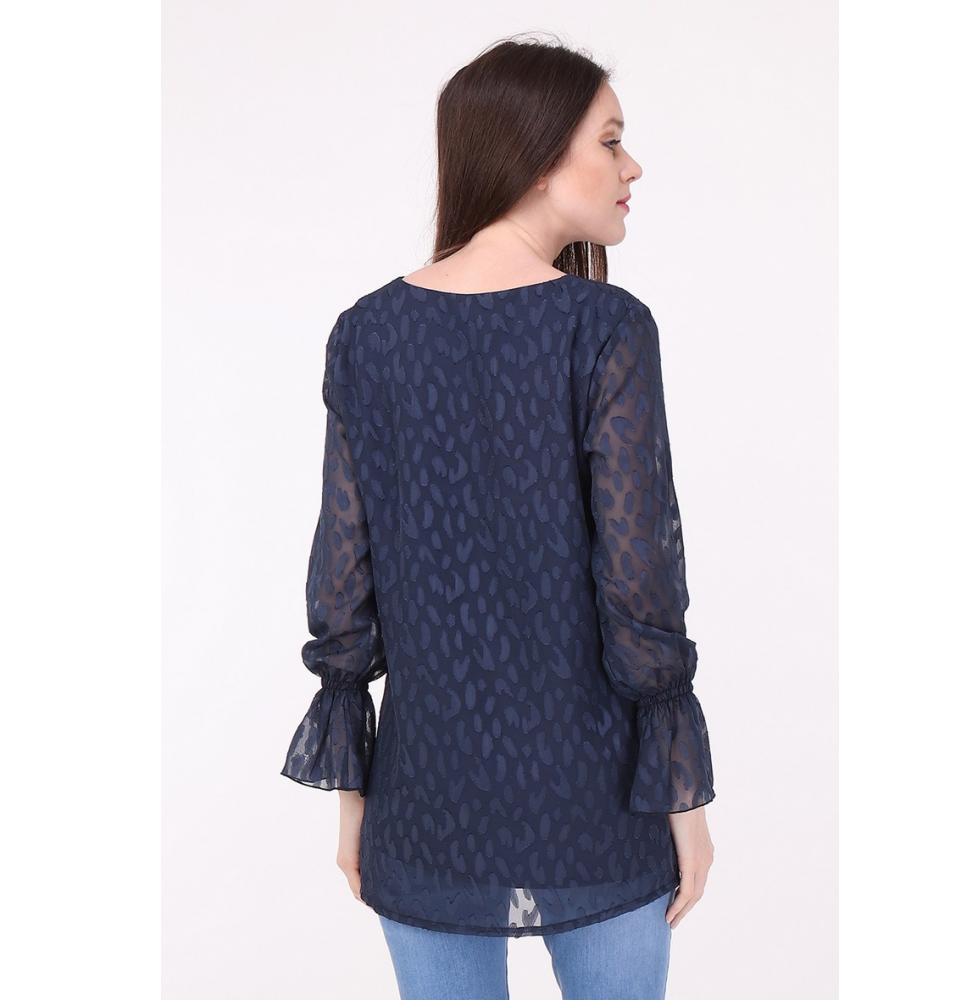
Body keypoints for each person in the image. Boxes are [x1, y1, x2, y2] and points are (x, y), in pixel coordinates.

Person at [281, 35, 717, 1000]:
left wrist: (354, 800)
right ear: (537, 154)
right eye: (611, 140)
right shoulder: (605, 327)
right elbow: (640, 580)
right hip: (599, 797)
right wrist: (683, 798)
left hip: (423, 801)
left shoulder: (366, 335)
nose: (632, 167)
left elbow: (344, 580)